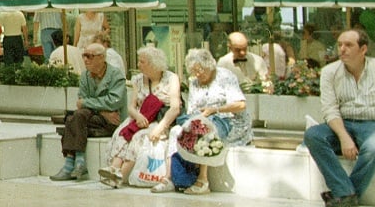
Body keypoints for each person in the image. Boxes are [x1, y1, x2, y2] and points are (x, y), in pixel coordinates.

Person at [302, 28, 375, 207]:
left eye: (348, 45)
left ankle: (345, 193)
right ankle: (346, 192)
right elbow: (330, 109)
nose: (342, 49)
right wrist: (344, 137)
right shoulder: (330, 72)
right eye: (339, 45)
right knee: (313, 135)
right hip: (343, 124)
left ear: (363, 49)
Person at [167, 49, 247, 194]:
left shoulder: (225, 76)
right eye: (194, 71)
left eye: (200, 70)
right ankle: (169, 178)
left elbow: (241, 105)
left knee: (204, 130)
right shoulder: (195, 82)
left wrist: (214, 110)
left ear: (209, 65)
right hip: (201, 118)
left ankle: (203, 180)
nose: (197, 74)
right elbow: (192, 110)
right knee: (176, 131)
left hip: (226, 119)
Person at [99, 46, 180, 188]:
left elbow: (174, 108)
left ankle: (120, 175)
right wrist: (138, 116)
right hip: (139, 117)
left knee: (139, 137)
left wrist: (160, 128)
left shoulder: (172, 79)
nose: (138, 65)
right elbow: (131, 106)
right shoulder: (137, 80)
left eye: (142, 62)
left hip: (159, 120)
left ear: (154, 64)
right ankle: (113, 168)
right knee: (122, 133)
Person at [52, 40, 123, 182]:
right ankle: (78, 160)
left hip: (110, 122)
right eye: (84, 55)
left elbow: (113, 101)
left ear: (102, 58)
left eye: (90, 56)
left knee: (73, 119)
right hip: (96, 118)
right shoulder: (85, 75)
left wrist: (89, 104)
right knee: (76, 117)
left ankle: (71, 162)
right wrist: (102, 111)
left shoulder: (116, 75)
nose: (85, 59)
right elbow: (82, 101)